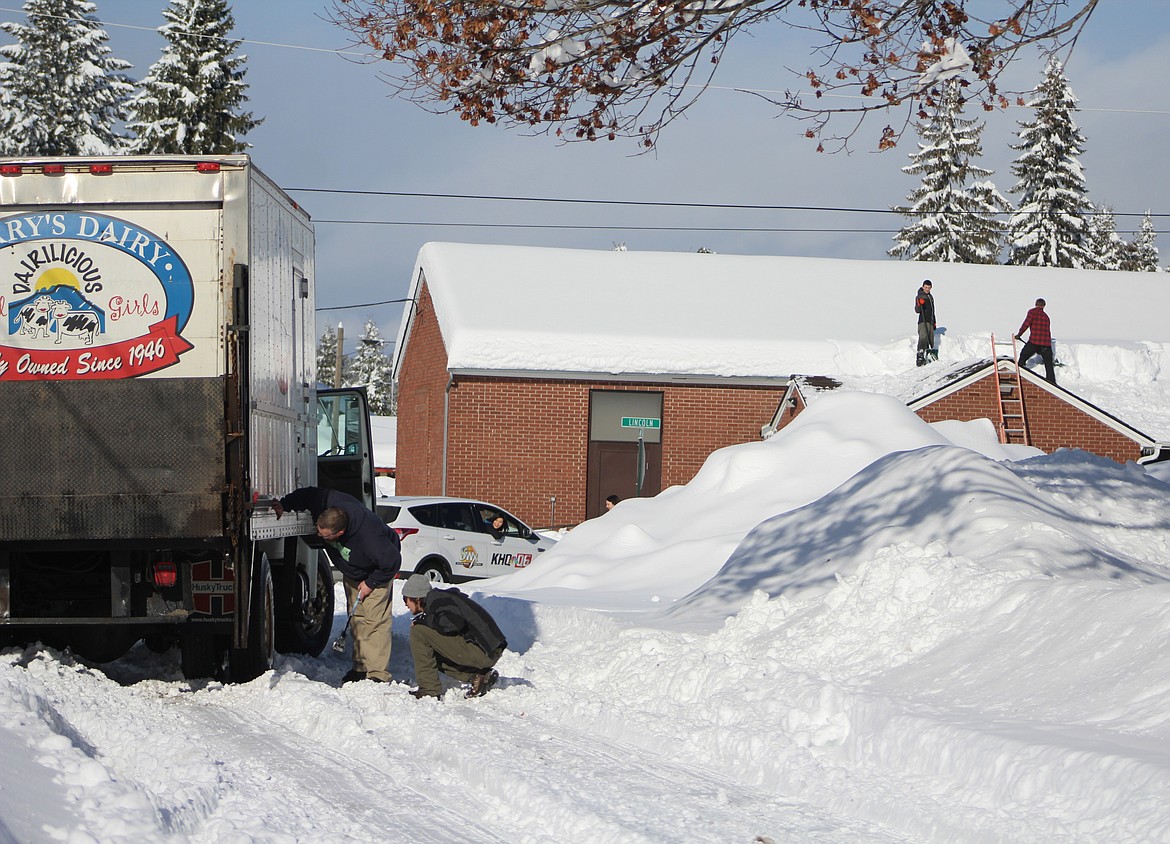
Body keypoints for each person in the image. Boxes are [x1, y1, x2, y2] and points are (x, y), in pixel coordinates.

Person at [274, 487, 401, 683]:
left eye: (325, 536)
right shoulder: (325, 503)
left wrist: (371, 583)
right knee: (357, 616)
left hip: (378, 572)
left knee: (375, 621)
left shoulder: (370, 537)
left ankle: (377, 675)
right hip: (354, 570)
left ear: (340, 532)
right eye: (319, 531)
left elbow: (392, 562)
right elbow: (308, 494)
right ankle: (360, 668)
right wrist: (285, 503)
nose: (320, 537)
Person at [401, 573, 507, 700]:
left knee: (418, 632)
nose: (405, 604)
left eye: (405, 599)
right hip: (489, 649)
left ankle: (429, 690)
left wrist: (424, 620)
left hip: (483, 650)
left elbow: (453, 624)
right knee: (430, 648)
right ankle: (479, 677)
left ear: (416, 598)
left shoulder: (438, 601)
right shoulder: (440, 599)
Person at [1015, 297, 1057, 385]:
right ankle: (1052, 383)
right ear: (1044, 306)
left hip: (1034, 341)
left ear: (1036, 304)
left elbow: (1026, 323)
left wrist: (1019, 334)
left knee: (1023, 356)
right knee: (1049, 365)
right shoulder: (1046, 317)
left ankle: (1017, 375)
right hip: (1046, 344)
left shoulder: (1032, 312)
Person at [914, 279, 936, 367]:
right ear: (923, 287)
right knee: (923, 337)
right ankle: (920, 355)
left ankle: (927, 355)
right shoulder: (920, 296)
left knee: (930, 339)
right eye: (926, 287)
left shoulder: (930, 297)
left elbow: (933, 311)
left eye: (929, 288)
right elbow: (917, 310)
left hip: (930, 321)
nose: (927, 289)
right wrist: (919, 304)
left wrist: (934, 322)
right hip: (922, 321)